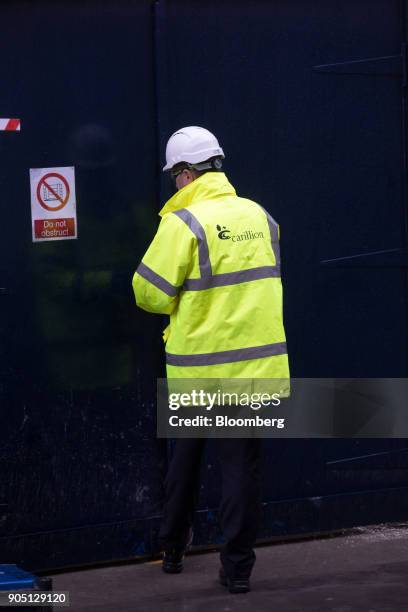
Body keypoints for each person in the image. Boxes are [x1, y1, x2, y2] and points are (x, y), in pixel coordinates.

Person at [132, 126, 289, 593]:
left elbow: (149, 294)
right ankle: (238, 571)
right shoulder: (260, 216)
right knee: (241, 471)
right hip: (258, 372)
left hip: (199, 372)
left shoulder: (185, 224)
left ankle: (174, 550)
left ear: (183, 174)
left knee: (185, 462)